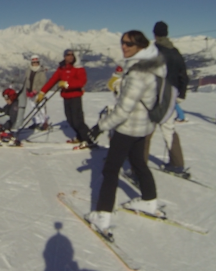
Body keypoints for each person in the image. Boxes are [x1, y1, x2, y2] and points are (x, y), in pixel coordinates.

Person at [85, 30, 166, 234]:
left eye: (129, 44)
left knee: (110, 170)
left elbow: (123, 110)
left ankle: (102, 215)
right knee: (139, 163)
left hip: (128, 128)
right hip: (144, 126)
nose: (124, 46)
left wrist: (99, 127)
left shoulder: (139, 72)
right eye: (123, 42)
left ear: (140, 46)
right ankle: (149, 201)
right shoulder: (151, 65)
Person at [147, 21, 189, 172]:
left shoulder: (152, 51)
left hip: (153, 96)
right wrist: (180, 95)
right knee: (169, 130)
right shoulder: (175, 52)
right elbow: (183, 75)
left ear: (155, 34)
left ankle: (138, 167)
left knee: (145, 130)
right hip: (170, 97)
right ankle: (177, 164)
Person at [36, 49, 94, 148]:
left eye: (72, 55)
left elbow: (82, 82)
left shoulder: (78, 68)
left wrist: (67, 84)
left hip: (75, 96)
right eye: (68, 55)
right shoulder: (61, 68)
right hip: (66, 97)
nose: (70, 57)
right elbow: (53, 80)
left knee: (77, 120)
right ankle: (80, 137)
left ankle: (87, 139)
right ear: (64, 56)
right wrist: (42, 92)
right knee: (70, 120)